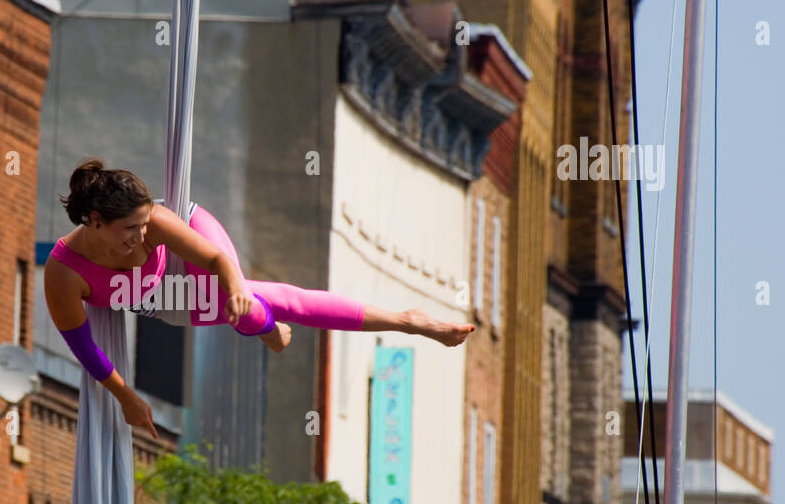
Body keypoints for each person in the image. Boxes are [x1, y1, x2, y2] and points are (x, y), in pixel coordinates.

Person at [46, 158, 474, 438]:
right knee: (261, 311)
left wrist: (235, 290)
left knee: (255, 305)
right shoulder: (64, 273)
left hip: (196, 259)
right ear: (97, 221)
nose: (142, 235)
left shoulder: (156, 222)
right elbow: (85, 348)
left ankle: (409, 322)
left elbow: (215, 257)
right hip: (165, 298)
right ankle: (271, 328)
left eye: (145, 224)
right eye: (131, 230)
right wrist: (128, 397)